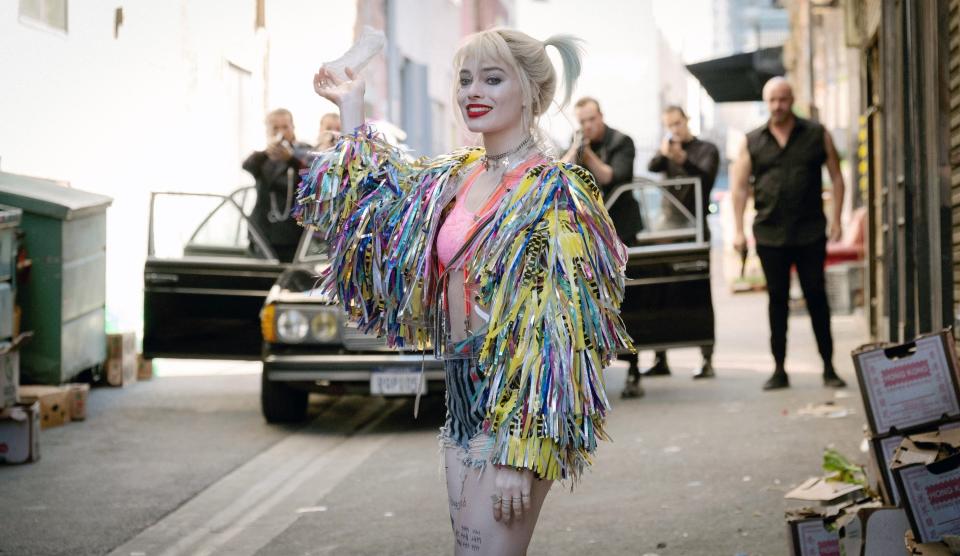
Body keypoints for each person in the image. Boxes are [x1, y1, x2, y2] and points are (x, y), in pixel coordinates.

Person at [302, 29, 633, 555]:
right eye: (464, 80)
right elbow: (373, 215)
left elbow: (560, 326)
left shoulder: (556, 191)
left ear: (528, 90)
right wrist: (351, 107)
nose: (471, 91)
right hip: (459, 392)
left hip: (519, 403)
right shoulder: (456, 176)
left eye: (492, 78)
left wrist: (521, 449)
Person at [731, 77, 847, 391]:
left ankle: (829, 367)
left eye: (783, 99)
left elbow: (836, 177)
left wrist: (836, 219)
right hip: (770, 233)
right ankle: (779, 369)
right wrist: (738, 230)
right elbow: (740, 187)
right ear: (765, 102)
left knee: (817, 298)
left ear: (792, 99)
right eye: (772, 100)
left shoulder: (815, 133)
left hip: (810, 231)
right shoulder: (753, 140)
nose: (778, 106)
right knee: (777, 301)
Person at [561, 97, 645, 398]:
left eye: (591, 119)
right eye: (582, 121)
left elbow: (612, 177)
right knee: (590, 304)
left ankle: (634, 370)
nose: (587, 126)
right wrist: (575, 149)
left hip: (621, 234)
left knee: (626, 303)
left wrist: (590, 156)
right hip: (587, 239)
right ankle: (592, 375)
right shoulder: (575, 143)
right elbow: (561, 173)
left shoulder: (622, 142)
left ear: (601, 116)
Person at [644, 105, 720, 380]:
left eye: (678, 123)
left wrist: (683, 158)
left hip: (694, 230)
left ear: (686, 121)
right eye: (670, 125)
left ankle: (706, 358)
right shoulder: (666, 151)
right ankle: (660, 356)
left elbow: (706, 178)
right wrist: (666, 154)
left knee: (698, 295)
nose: (675, 130)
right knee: (660, 295)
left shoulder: (705, 149)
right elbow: (652, 166)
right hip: (666, 229)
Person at [243, 108, 313, 262]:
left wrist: (291, 159)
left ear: (293, 128)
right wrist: (266, 153)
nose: (281, 132)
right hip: (265, 232)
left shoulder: (306, 152)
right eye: (275, 128)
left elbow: (312, 175)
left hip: (294, 235)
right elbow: (247, 166)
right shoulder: (262, 158)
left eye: (285, 127)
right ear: (267, 130)